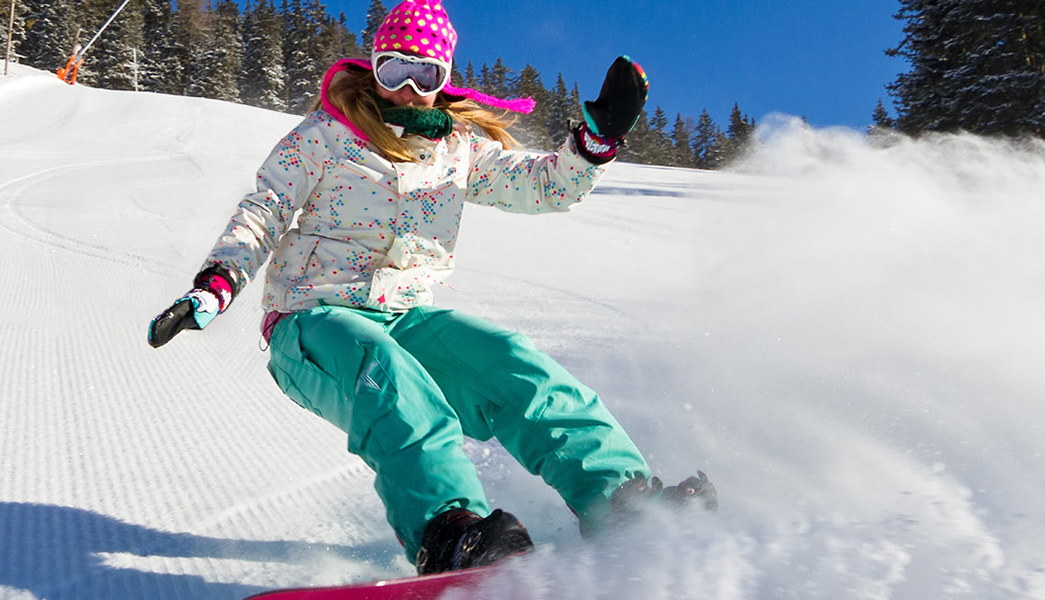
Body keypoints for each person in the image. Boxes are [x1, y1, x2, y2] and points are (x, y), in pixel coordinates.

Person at [145, 0, 713, 575]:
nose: (409, 90)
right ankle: (448, 529)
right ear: (374, 69)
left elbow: (539, 187)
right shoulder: (326, 134)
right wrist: (217, 283)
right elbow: (264, 208)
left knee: (515, 366)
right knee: (388, 376)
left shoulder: (457, 147)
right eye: (395, 72)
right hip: (312, 319)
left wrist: (593, 145)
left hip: (405, 317)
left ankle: (618, 499)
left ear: (443, 80)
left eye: (426, 75)